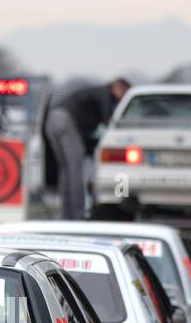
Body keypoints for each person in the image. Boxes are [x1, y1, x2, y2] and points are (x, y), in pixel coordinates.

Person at [44, 77, 130, 218]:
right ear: (118, 88)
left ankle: (66, 211)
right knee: (75, 169)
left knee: (66, 170)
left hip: (53, 119)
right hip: (66, 120)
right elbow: (108, 119)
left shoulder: (95, 93)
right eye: (124, 94)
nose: (122, 99)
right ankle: (77, 213)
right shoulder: (104, 94)